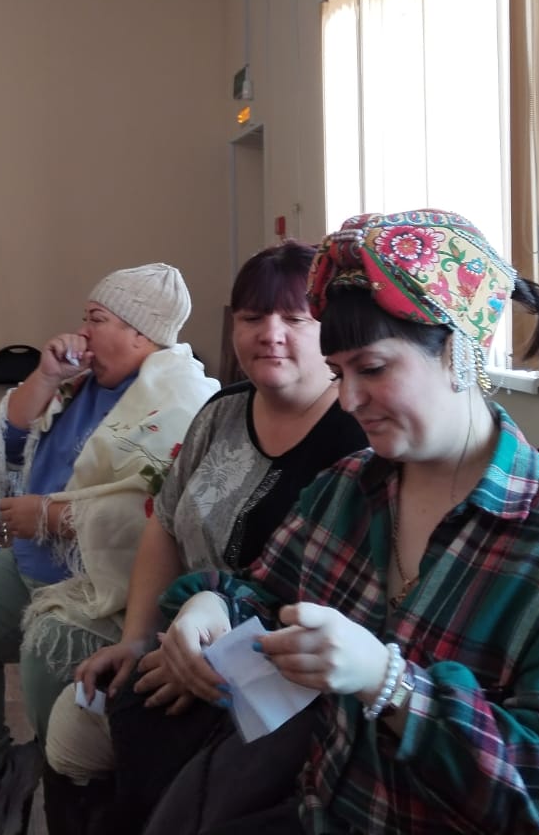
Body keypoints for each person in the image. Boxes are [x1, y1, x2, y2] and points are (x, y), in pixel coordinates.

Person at [152, 210, 539, 835]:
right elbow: (266, 596)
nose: (348, 400)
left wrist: (389, 684)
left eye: (372, 369)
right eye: (339, 374)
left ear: (456, 352)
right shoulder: (347, 491)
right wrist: (211, 605)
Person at [49, 242, 368, 835]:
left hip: (285, 676)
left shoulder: (358, 436)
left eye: (294, 319)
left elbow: (335, 603)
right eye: (252, 317)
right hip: (181, 633)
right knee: (81, 713)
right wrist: (137, 637)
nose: (270, 334)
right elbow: (166, 523)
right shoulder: (222, 412)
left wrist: (208, 656)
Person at [0, 264, 218, 835]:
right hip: (34, 562)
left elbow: (160, 513)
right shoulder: (81, 380)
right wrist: (45, 375)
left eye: (96, 319)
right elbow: (7, 436)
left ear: (140, 332)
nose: (82, 332)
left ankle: (74, 790)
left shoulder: (184, 400)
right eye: (85, 318)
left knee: (48, 651)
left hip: (104, 585)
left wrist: (55, 517)